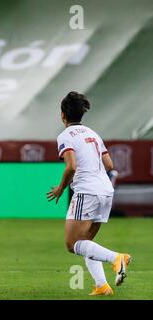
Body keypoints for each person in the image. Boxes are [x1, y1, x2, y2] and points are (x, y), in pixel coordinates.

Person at [47, 91, 130, 296]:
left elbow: (71, 166)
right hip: (105, 190)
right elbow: (109, 165)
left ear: (62, 115)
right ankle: (102, 285)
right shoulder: (93, 133)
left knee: (72, 244)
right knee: (86, 243)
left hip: (87, 191)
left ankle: (116, 258)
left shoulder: (65, 136)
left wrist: (61, 188)